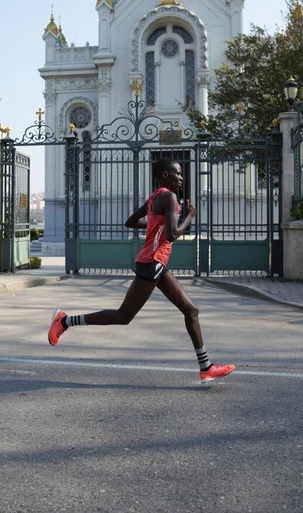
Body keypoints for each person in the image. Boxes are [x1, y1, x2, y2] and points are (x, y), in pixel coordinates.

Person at [48, 158, 235, 384]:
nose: (181, 178)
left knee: (191, 310)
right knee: (123, 316)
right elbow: (173, 235)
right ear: (165, 175)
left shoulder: (155, 197)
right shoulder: (169, 197)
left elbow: (130, 222)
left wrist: (155, 225)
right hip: (152, 262)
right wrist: (190, 216)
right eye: (177, 173)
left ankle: (206, 368)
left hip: (155, 263)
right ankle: (64, 321)